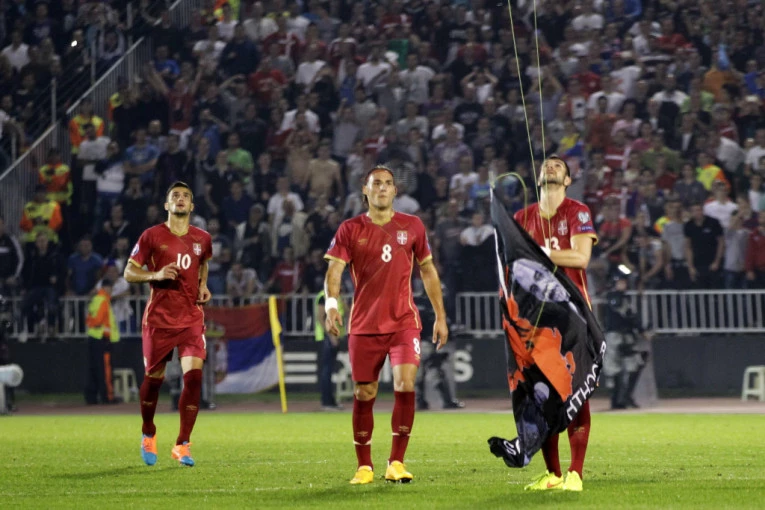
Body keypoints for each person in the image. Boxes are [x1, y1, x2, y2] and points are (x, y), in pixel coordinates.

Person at [324, 165, 448, 484]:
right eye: (376, 183)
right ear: (365, 190)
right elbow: (334, 272)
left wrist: (440, 315)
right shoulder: (350, 229)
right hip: (364, 325)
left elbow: (428, 271)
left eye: (388, 183)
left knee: (405, 384)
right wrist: (331, 306)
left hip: (404, 322)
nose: (382, 188)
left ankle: (396, 462)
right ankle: (364, 466)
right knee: (365, 392)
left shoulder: (413, 225)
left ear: (395, 191)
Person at [512, 156, 598, 492]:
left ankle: (576, 473)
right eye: (546, 164)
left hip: (572, 315)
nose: (550, 167)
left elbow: (581, 257)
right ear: (537, 178)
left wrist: (538, 254)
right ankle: (553, 473)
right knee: (541, 395)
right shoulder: (522, 218)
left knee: (576, 391)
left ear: (567, 180)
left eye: (558, 166)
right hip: (535, 319)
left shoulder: (577, 212)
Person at [124, 181, 213, 467]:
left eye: (186, 195)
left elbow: (203, 263)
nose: (181, 198)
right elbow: (129, 272)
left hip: (191, 317)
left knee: (194, 377)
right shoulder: (151, 236)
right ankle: (148, 431)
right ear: (167, 205)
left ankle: (182, 444)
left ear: (192, 205)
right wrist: (155, 274)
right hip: (159, 319)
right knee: (153, 382)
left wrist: (203, 285)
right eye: (175, 195)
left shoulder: (203, 238)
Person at [84, 279, 119, 405]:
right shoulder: (103, 300)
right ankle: (107, 396)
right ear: (106, 287)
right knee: (105, 369)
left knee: (94, 368)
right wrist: (107, 336)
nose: (111, 290)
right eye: (111, 288)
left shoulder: (96, 299)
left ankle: (91, 397)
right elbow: (98, 321)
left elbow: (89, 319)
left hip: (94, 337)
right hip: (102, 339)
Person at [314, 289, 345, 410]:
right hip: (326, 338)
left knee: (330, 370)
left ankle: (331, 401)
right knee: (326, 370)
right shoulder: (324, 297)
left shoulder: (336, 296)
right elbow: (320, 318)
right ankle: (326, 402)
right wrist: (331, 336)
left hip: (333, 338)